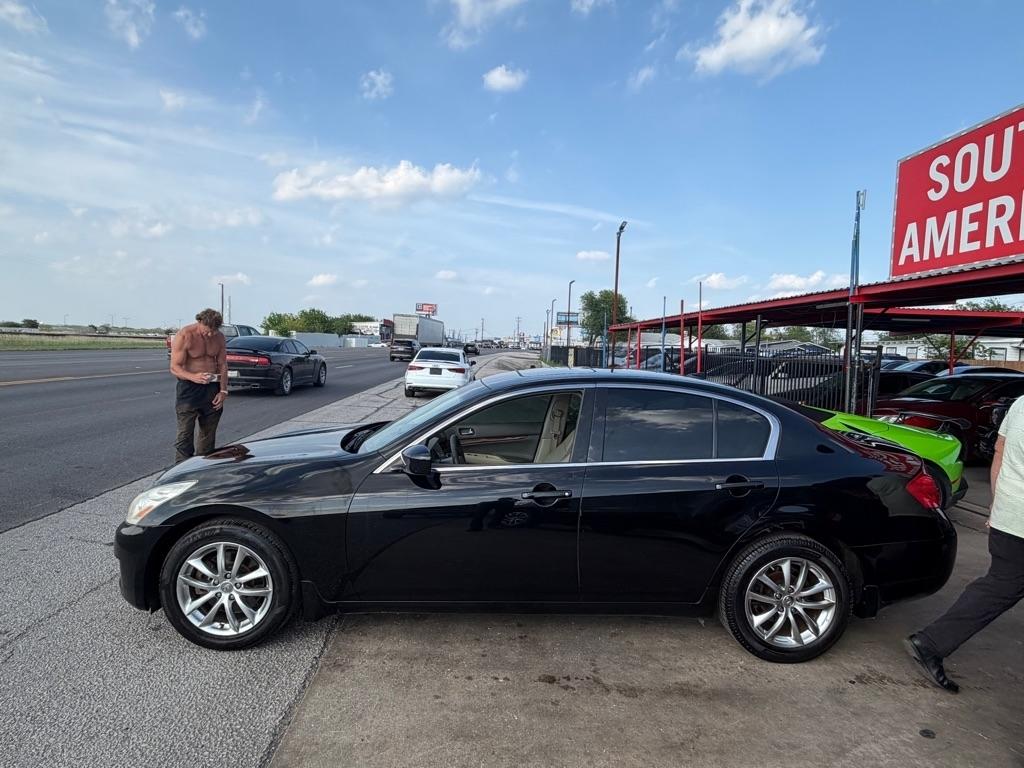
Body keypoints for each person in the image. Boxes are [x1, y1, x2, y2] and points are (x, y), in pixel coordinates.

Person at [904, 398, 1024, 692]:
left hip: (1009, 513)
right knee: (1002, 586)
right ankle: (931, 642)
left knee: (1001, 584)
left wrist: (998, 504)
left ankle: (931, 642)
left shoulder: (1021, 403)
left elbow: (1000, 453)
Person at [169, 308, 228, 463]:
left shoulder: (219, 337)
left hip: (212, 388)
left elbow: (223, 364)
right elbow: (175, 367)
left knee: (208, 436)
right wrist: (193, 377)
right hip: (189, 389)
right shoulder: (185, 335)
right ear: (200, 322)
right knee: (185, 435)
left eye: (214, 332)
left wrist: (223, 390)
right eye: (207, 331)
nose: (210, 335)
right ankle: (181, 470)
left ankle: (203, 468)